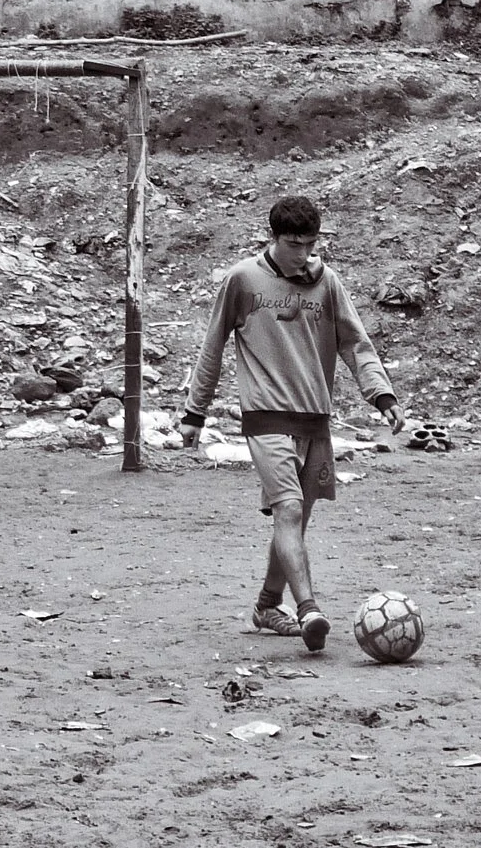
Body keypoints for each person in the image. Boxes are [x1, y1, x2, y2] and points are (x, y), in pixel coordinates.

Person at [178, 195, 401, 652]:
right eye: (293, 244)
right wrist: (194, 412)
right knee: (289, 509)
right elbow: (213, 346)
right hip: (265, 416)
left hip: (315, 419)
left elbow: (355, 344)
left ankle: (266, 604)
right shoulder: (242, 280)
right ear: (274, 238)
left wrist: (381, 394)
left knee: (295, 523)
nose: (303, 254)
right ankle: (309, 610)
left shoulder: (328, 283)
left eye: (310, 244)